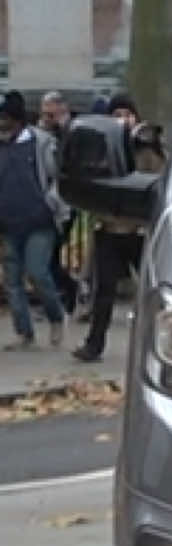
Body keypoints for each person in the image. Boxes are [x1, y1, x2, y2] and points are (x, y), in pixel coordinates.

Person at [71, 93, 157, 364]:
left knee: (150, 291)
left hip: (139, 230)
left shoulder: (146, 145)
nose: (123, 120)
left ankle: (156, 346)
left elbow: (156, 177)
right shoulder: (102, 147)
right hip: (109, 228)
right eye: (117, 115)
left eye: (127, 114)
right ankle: (94, 345)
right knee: (103, 291)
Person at [0, 90, 67, 350]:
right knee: (13, 282)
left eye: (6, 119)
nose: (2, 125)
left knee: (38, 272)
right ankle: (24, 332)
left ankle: (56, 316)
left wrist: (53, 205)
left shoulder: (41, 144)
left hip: (39, 222)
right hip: (7, 224)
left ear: (18, 120)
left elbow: (57, 178)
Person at [37, 90, 78, 312]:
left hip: (67, 201)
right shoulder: (42, 133)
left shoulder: (72, 131)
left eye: (50, 114)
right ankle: (62, 296)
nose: (47, 118)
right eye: (45, 114)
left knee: (58, 253)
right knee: (49, 256)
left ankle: (69, 294)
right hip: (49, 202)